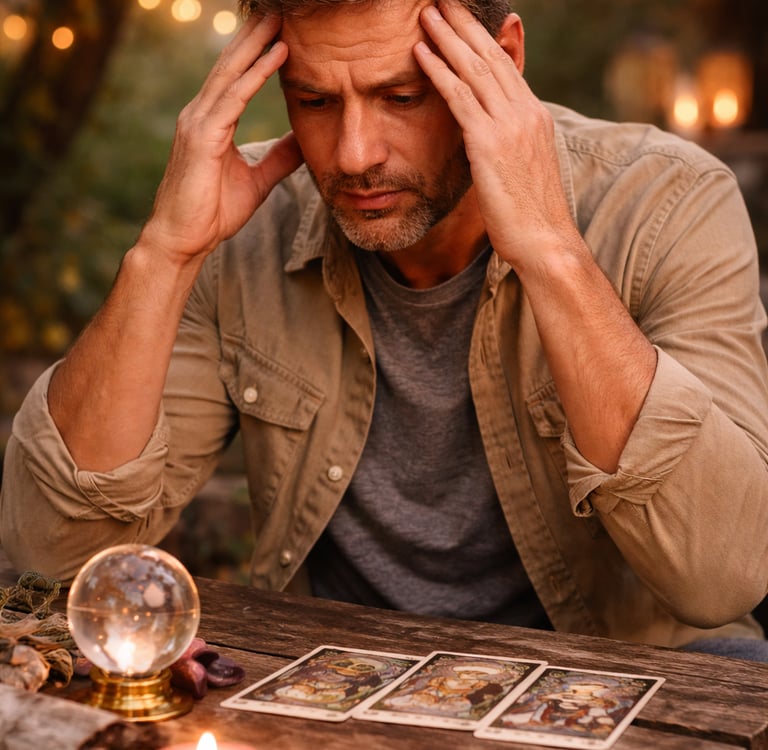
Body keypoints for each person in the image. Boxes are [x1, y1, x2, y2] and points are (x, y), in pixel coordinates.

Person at [2, 0, 768, 660]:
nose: (355, 156)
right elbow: (50, 557)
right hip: (332, 681)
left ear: (500, 61)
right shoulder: (245, 233)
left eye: (401, 96)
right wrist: (163, 254)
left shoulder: (669, 202)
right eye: (315, 101)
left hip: (610, 673)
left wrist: (551, 250)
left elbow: (723, 575)